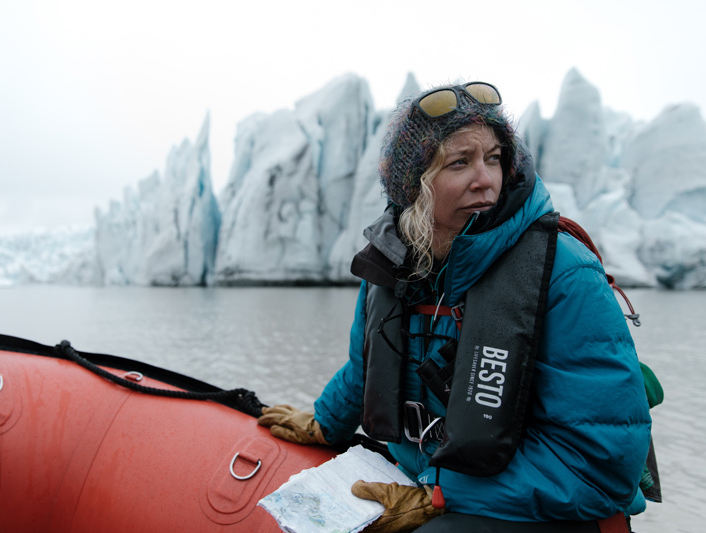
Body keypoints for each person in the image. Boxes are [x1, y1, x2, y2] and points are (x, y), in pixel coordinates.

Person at [258, 81, 652, 532]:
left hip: (538, 502)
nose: (485, 179)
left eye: (494, 158)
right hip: (429, 477)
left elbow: (601, 462)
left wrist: (441, 497)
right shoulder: (394, 264)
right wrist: (326, 423)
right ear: (414, 185)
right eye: (459, 162)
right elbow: (366, 366)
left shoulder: (562, 272)